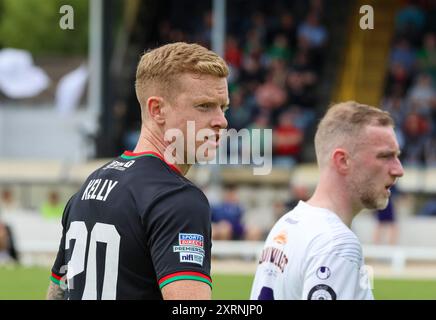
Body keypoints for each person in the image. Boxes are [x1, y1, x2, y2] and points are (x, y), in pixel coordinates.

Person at [47, 42, 229, 300]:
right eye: (204, 106)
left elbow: (57, 292)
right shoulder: (177, 198)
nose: (221, 121)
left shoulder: (91, 184)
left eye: (224, 107)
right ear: (157, 110)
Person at [250, 101, 404, 300]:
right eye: (385, 156)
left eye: (397, 156)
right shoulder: (338, 244)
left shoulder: (287, 224)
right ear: (343, 161)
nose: (398, 170)